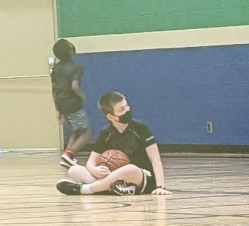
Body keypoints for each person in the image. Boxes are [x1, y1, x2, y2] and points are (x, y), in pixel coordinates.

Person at [56, 91, 172, 196]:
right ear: (111, 117)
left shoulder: (141, 128)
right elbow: (91, 162)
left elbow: (155, 160)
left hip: (141, 177)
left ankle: (86, 189)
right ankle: (119, 188)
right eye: (121, 109)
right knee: (74, 170)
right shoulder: (105, 133)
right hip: (113, 178)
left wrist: (160, 186)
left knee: (130, 169)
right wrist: (94, 170)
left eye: (126, 106)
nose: (127, 110)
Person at [50, 38, 91, 170]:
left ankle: (66, 158)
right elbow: (74, 86)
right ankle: (69, 154)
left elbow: (54, 91)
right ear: (71, 51)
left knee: (76, 131)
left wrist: (57, 110)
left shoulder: (56, 68)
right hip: (73, 103)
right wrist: (82, 95)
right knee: (87, 133)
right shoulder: (76, 67)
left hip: (61, 104)